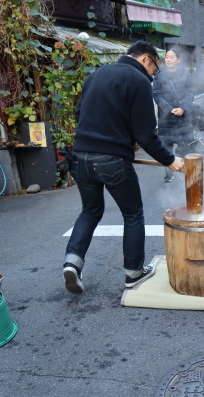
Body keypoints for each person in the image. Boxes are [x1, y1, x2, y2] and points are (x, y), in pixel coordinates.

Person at [62, 41, 184, 293]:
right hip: (112, 160)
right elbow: (145, 134)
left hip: (80, 157)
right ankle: (133, 273)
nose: (153, 75)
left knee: (90, 211)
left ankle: (72, 262)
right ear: (145, 59)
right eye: (155, 69)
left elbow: (78, 115)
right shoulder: (139, 81)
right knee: (133, 214)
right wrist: (170, 160)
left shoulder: (96, 74)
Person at [153, 48, 195, 182]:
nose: (168, 59)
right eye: (167, 57)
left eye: (172, 57)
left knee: (186, 148)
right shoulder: (159, 76)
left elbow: (191, 92)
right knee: (166, 149)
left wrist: (183, 108)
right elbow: (157, 95)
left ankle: (187, 172)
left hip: (183, 118)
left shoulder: (185, 74)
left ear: (178, 60)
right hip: (166, 120)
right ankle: (169, 174)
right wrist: (169, 109)